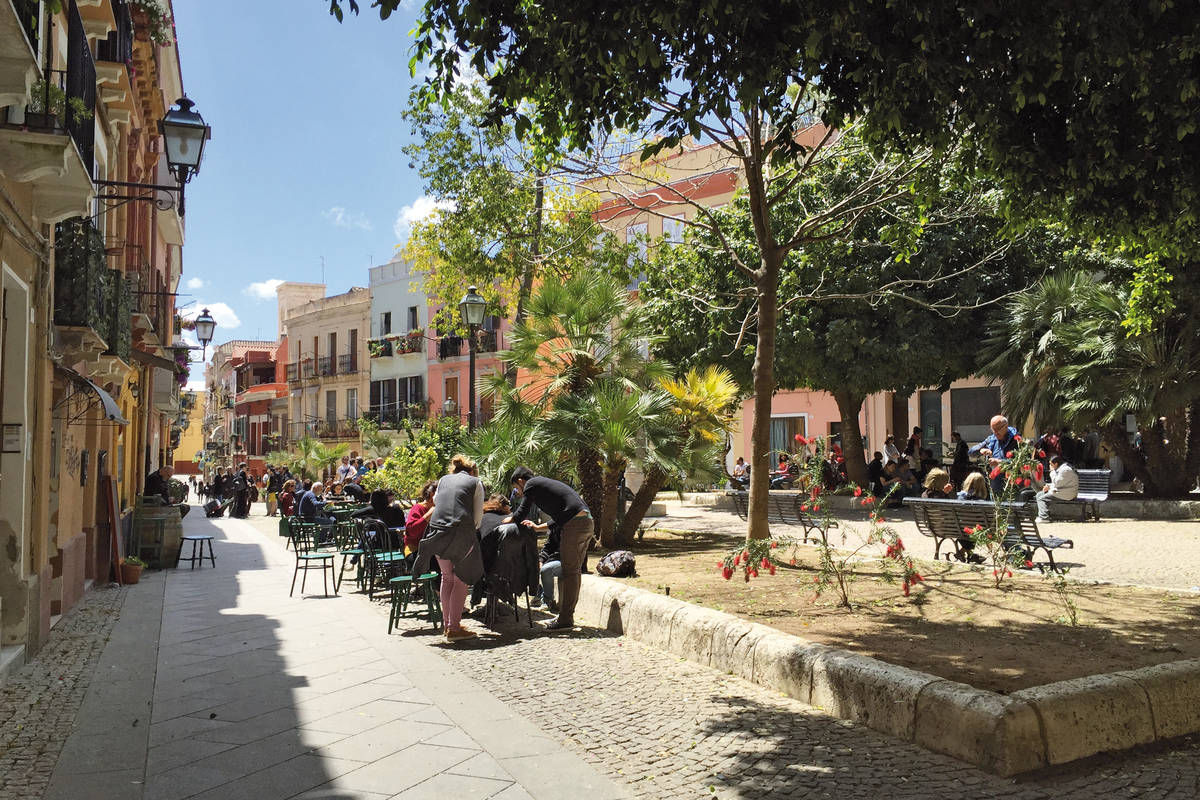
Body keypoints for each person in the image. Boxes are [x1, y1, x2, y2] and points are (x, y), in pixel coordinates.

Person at [507, 465, 592, 630]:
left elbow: (521, 512)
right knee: (573, 571)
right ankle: (566, 616)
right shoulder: (543, 485)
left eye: (517, 488)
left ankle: (565, 619)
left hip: (575, 525)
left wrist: (506, 520)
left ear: (520, 481)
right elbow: (563, 516)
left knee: (570, 572)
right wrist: (539, 528)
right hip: (586, 522)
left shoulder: (531, 484)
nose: (518, 492)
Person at [413, 455, 485, 642]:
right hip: (461, 534)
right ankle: (454, 628)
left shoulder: (443, 480)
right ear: (472, 472)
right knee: (461, 579)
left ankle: (448, 625)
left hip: (437, 533)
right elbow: (477, 519)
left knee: (447, 578)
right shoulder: (475, 483)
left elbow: (437, 502)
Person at [969, 415, 1021, 493]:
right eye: (993, 429)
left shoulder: (1017, 440)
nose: (995, 432)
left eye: (998, 429)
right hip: (994, 486)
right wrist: (981, 450)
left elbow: (1021, 463)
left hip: (1011, 489)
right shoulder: (991, 439)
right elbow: (971, 452)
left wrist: (1000, 462)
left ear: (1006, 427)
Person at [1035, 455, 1079, 522]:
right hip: (1062, 491)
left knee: (1042, 499)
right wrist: (1049, 486)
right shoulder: (1061, 469)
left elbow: (1058, 483)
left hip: (1067, 493)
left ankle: (1044, 517)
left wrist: (1052, 472)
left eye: (1051, 464)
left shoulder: (1065, 470)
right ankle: (1043, 514)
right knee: (1039, 494)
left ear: (1056, 464)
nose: (1050, 465)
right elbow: (1060, 483)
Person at [404, 481, 438, 556]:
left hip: (435, 550)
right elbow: (411, 532)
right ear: (432, 494)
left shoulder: (442, 509)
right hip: (415, 550)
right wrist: (429, 513)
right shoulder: (418, 508)